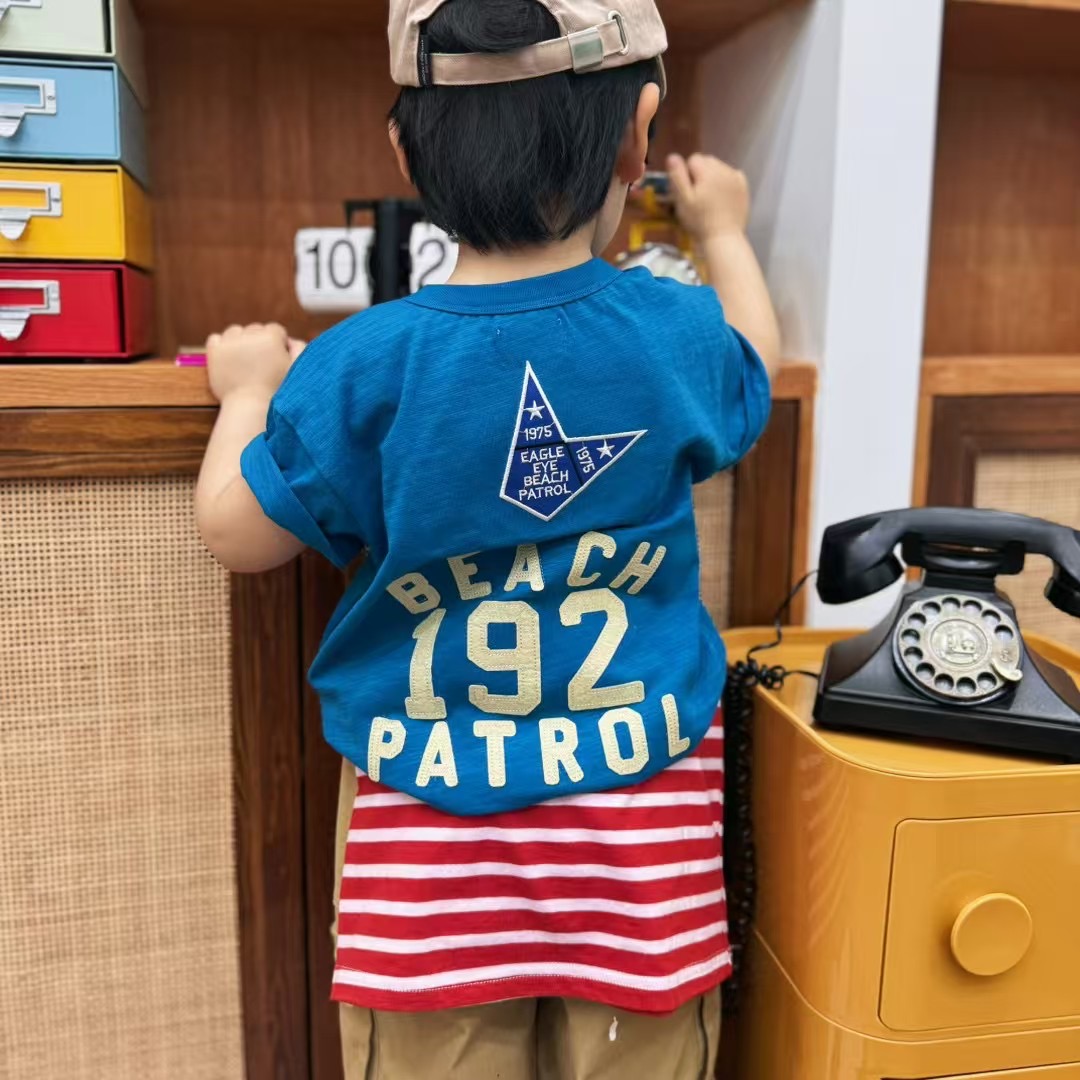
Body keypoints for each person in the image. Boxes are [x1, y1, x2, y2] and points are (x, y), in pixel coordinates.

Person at [195, 0, 781, 1075]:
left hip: (432, 864)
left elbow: (238, 533)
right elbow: (755, 363)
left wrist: (245, 393)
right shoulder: (673, 331)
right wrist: (725, 233)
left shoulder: (362, 362)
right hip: (640, 848)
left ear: (403, 150)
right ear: (637, 136)